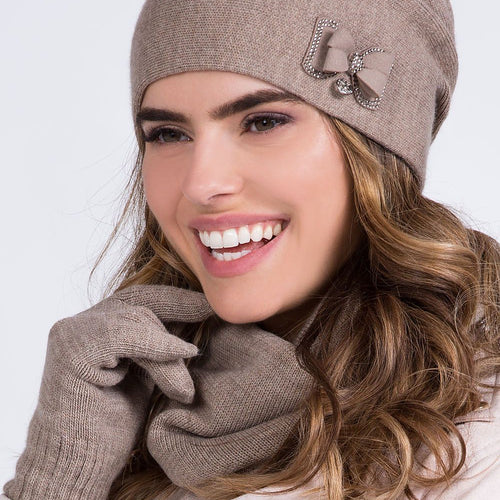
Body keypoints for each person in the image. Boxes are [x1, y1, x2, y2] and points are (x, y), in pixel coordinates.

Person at [2, 0, 499, 499]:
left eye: (262, 122)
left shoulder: (476, 447)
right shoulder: (134, 398)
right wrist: (63, 475)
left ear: (377, 152)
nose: (200, 184)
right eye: (168, 134)